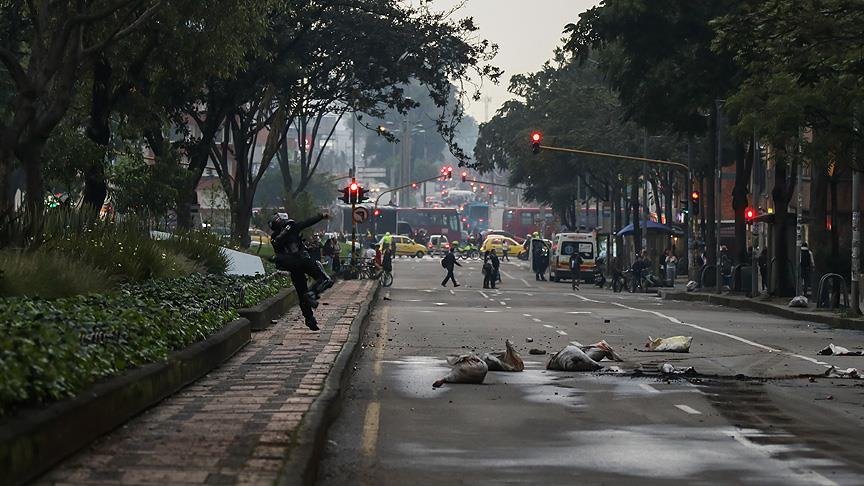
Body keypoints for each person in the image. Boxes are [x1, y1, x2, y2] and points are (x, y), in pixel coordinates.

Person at [270, 212, 333, 331]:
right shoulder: (292, 227)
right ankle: (312, 293)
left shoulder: (275, 237)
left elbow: (279, 254)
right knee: (325, 279)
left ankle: (309, 318)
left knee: (301, 292)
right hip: (302, 260)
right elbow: (307, 222)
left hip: (292, 266)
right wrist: (321, 216)